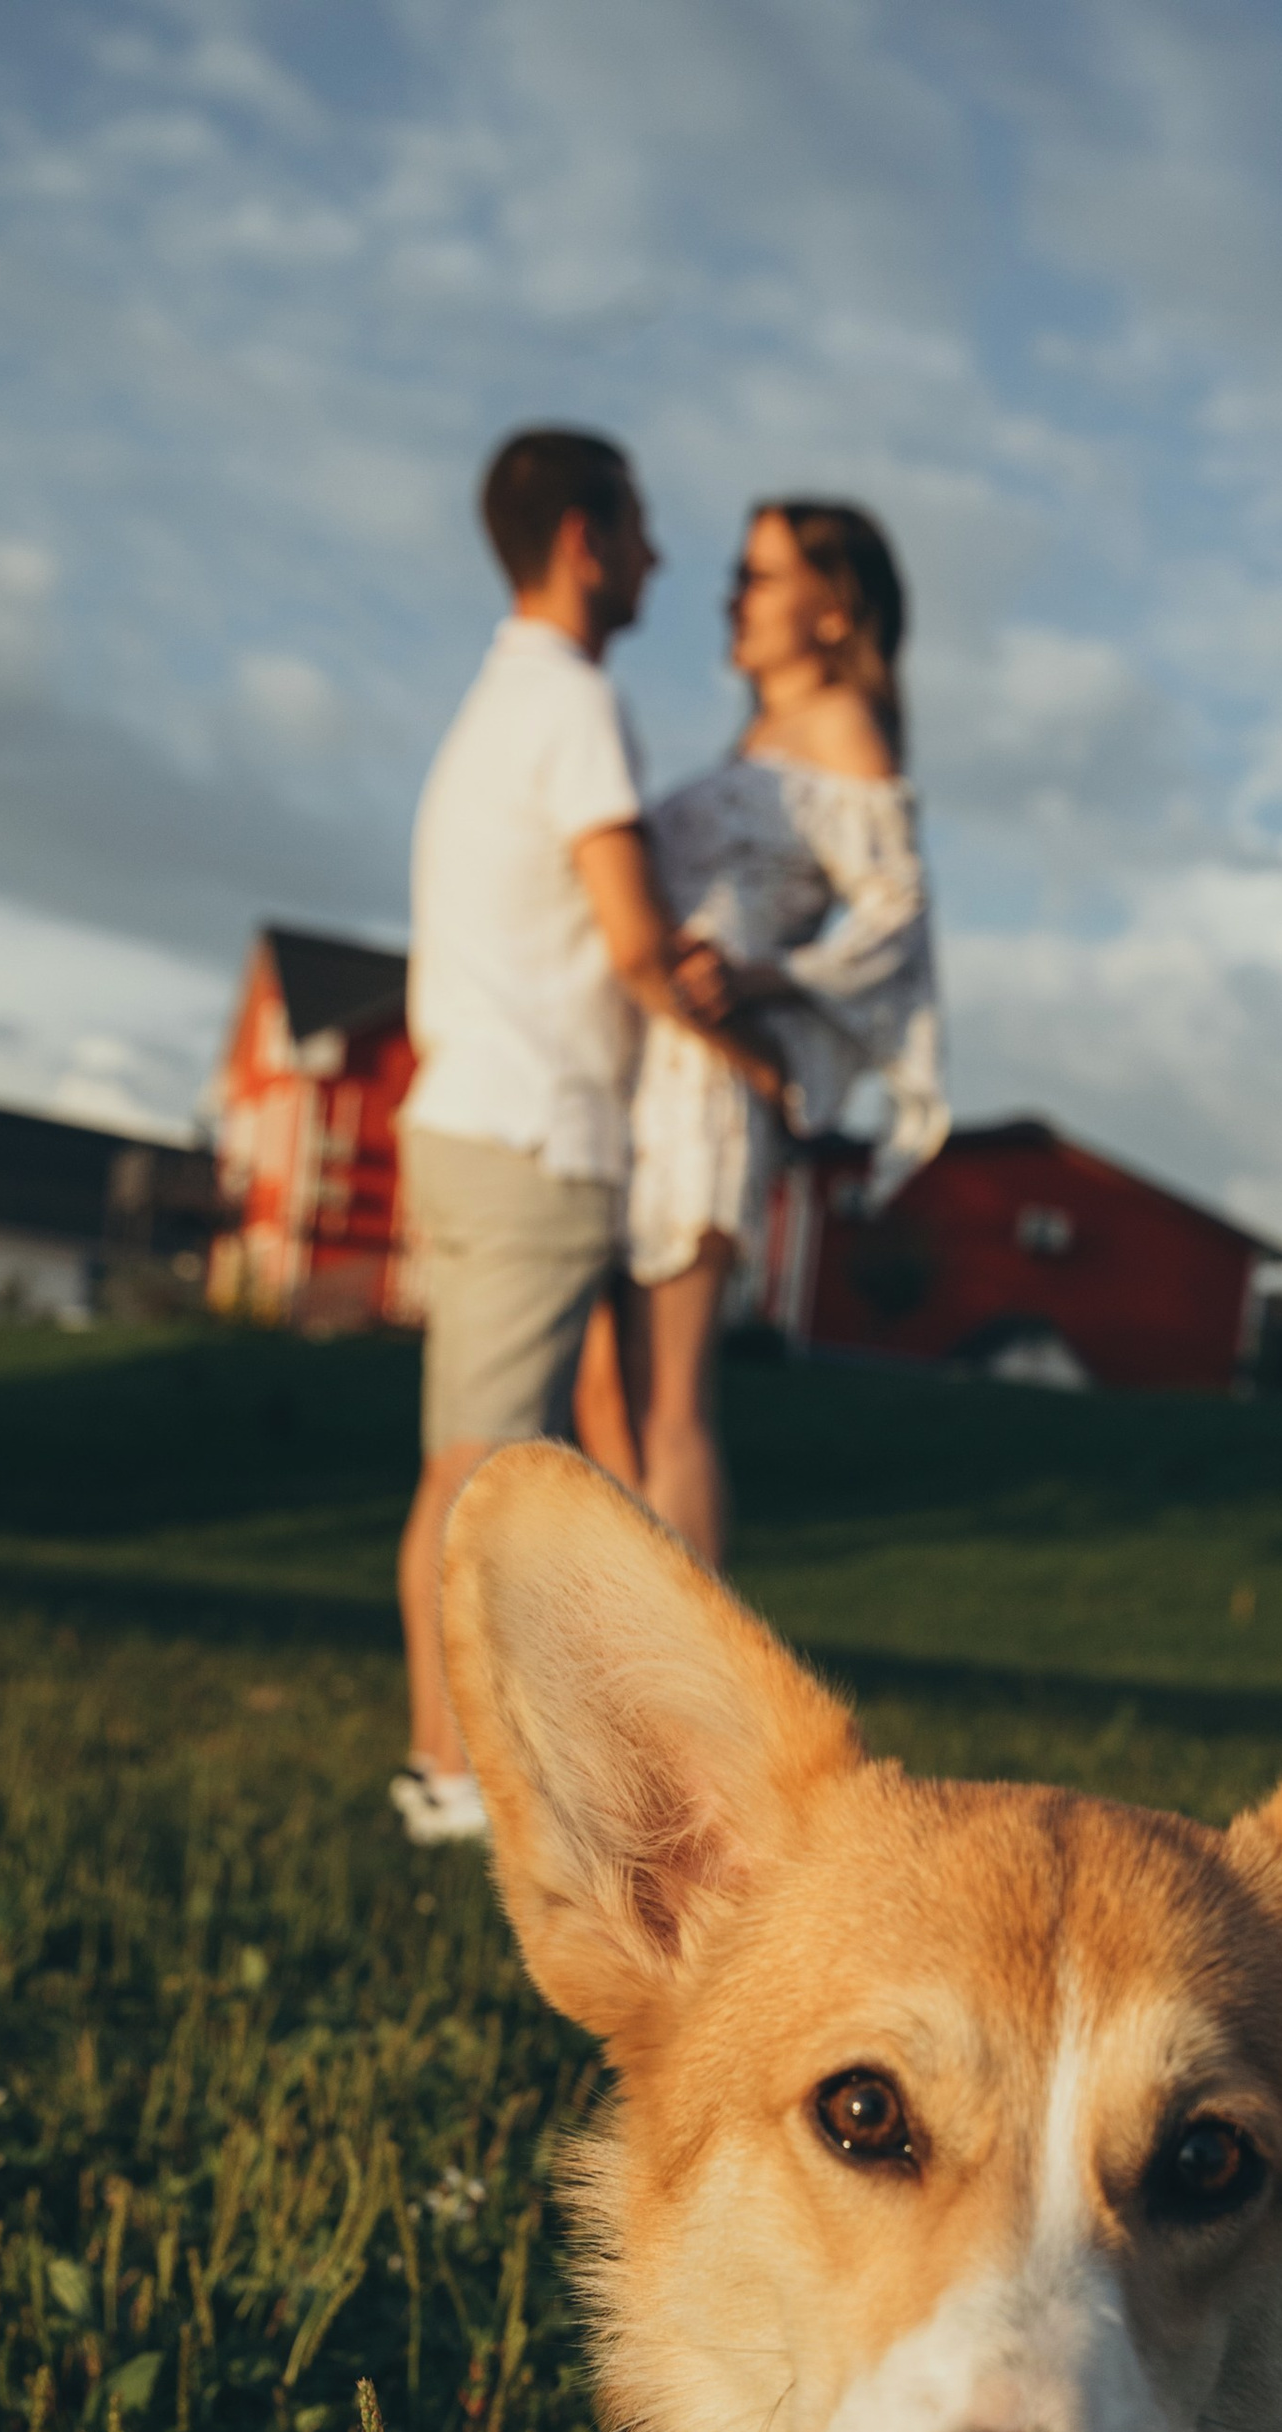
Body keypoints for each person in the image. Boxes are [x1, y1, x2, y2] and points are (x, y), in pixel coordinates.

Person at [389, 425, 771, 1847]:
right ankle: (454, 1777)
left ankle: (454, 1767)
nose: (660, 558)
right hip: (535, 1133)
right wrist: (751, 1042)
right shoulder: (572, 706)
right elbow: (631, 942)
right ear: (583, 541)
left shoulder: (507, 705)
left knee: (479, 1460)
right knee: (478, 1472)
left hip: (484, 1123)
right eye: (642, 528)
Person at [576, 500, 946, 1566]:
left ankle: (697, 1705)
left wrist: (766, 978)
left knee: (673, 1399)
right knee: (612, 1386)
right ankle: (618, 1666)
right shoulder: (761, 737)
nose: (732, 596)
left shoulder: (843, 726)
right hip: (645, 1065)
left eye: (762, 575)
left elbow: (898, 915)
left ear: (835, 609)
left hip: (703, 1089)